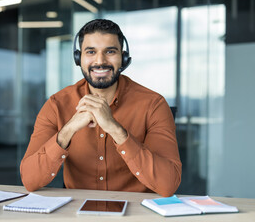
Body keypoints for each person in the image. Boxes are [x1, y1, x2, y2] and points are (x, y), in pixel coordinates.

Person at [20, 19, 182, 197]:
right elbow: (29, 179)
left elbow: (168, 184)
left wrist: (115, 129)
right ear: (78, 58)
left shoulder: (153, 105)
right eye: (90, 52)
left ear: (124, 58)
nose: (100, 61)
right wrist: (68, 129)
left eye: (110, 51)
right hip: (76, 213)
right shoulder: (56, 104)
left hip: (135, 212)